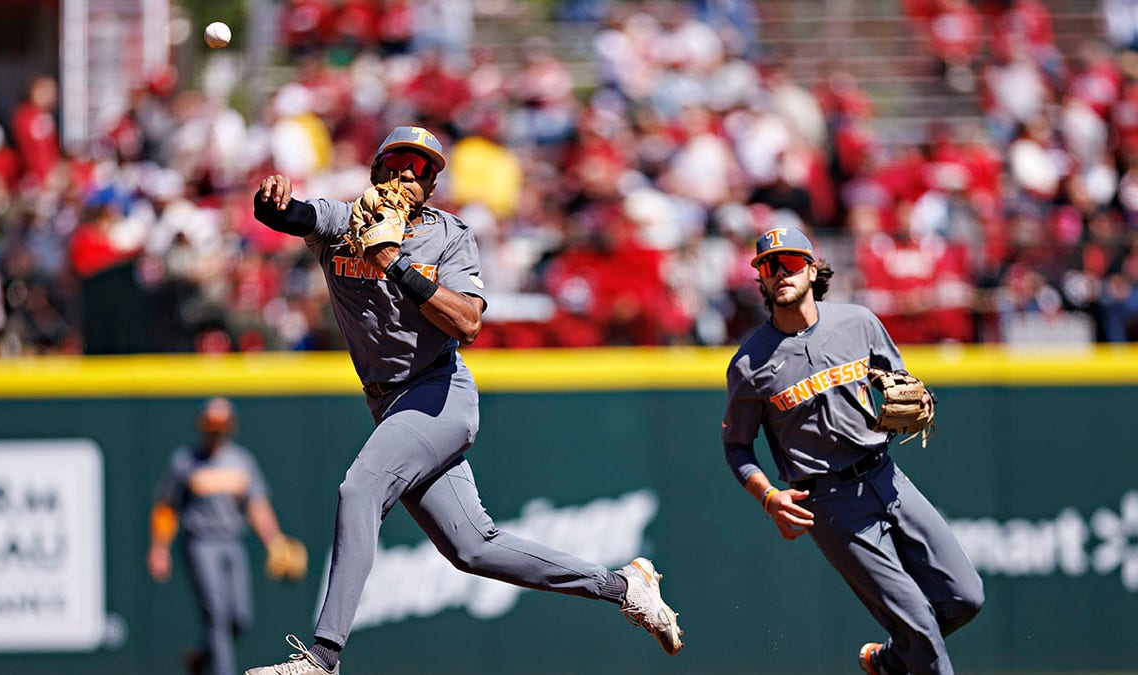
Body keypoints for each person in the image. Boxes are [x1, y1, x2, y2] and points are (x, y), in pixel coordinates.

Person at [246, 126, 683, 674]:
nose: (408, 174)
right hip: (389, 403)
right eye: (398, 162)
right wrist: (272, 200)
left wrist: (395, 264)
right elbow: (292, 216)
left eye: (422, 168)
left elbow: (468, 322)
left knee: (359, 489)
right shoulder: (347, 219)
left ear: (432, 184)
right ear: (377, 170)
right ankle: (623, 586)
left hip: (437, 392)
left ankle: (323, 657)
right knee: (473, 548)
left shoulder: (449, 235)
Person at [720, 227, 983, 675]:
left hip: (887, 477)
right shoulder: (750, 364)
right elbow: (737, 446)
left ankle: (888, 662)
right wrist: (768, 496)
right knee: (919, 627)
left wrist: (922, 399)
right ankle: (908, 651)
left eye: (790, 262)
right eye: (768, 266)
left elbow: (903, 382)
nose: (780, 272)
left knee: (964, 597)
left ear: (812, 268)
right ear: (760, 281)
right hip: (830, 502)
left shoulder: (858, 322)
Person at [147, 397, 308, 675]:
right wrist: (159, 548)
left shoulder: (241, 461)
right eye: (211, 425)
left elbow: (257, 506)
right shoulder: (185, 461)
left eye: (220, 425)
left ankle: (202, 658)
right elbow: (166, 508)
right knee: (217, 615)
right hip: (200, 543)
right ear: (202, 426)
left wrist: (274, 540)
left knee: (239, 618)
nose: (215, 431)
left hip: (232, 542)